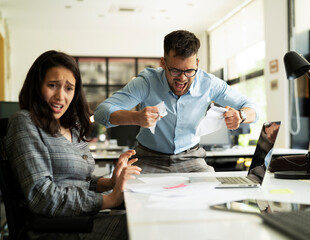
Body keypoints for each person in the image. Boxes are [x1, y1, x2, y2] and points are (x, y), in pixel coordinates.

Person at [5, 50, 141, 240]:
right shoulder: (25, 122)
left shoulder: (72, 127)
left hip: (81, 219)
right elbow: (41, 196)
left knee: (142, 214)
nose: (61, 96)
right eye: (52, 85)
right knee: (141, 227)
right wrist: (108, 200)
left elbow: (80, 181)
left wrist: (109, 183)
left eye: (69, 88)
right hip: (56, 229)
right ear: (37, 86)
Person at [94, 30, 258, 173]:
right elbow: (102, 112)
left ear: (197, 64)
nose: (182, 78)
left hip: (191, 158)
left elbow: (254, 109)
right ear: (163, 63)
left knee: (209, 193)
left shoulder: (210, 84)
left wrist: (241, 116)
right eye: (175, 70)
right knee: (129, 197)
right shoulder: (147, 82)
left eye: (189, 70)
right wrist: (135, 117)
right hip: (149, 158)